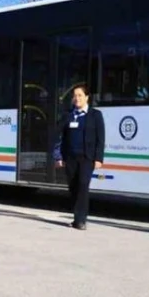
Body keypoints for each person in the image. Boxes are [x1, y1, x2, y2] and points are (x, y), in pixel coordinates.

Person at [54, 84, 105, 230]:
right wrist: (58, 156)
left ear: (87, 97)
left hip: (87, 158)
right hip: (70, 158)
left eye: (80, 95)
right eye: (75, 96)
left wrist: (99, 158)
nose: (77, 98)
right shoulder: (68, 115)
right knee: (74, 187)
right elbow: (58, 136)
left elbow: (100, 138)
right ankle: (76, 218)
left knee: (83, 185)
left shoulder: (96, 115)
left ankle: (81, 219)